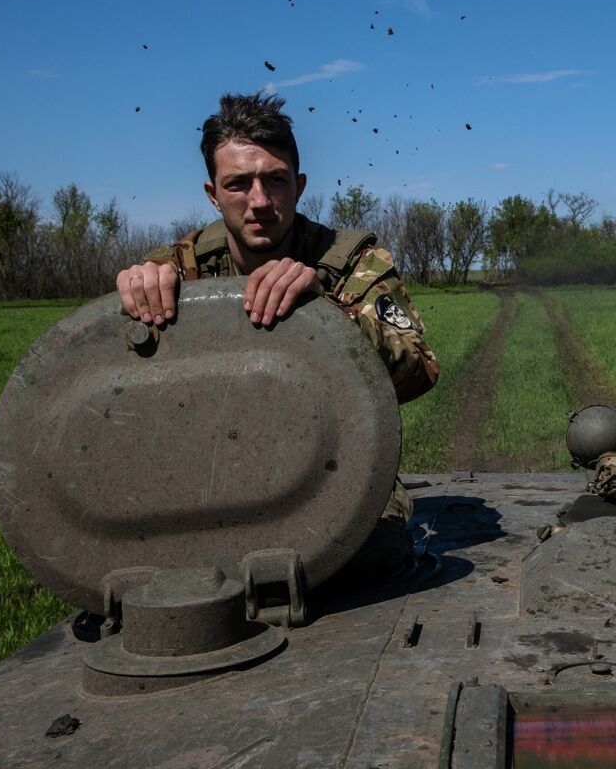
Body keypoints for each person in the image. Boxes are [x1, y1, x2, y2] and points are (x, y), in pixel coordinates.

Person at [116, 90, 438, 574]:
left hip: (334, 466)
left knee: (364, 561)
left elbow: (420, 370)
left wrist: (328, 317)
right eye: (238, 184)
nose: (260, 202)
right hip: (211, 470)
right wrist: (139, 294)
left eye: (276, 181)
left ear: (300, 185)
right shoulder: (177, 269)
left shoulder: (349, 261)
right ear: (212, 194)